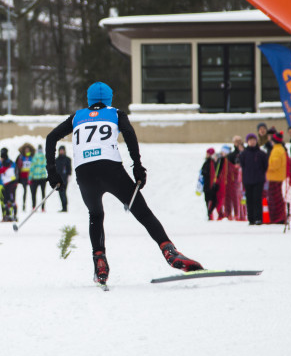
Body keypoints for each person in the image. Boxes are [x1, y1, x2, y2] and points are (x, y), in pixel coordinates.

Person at [45, 81, 203, 287]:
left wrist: (52, 173)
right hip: (110, 168)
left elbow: (51, 138)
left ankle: (99, 261)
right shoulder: (116, 113)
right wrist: (137, 166)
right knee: (143, 213)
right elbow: (129, 134)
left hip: (84, 172)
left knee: (95, 215)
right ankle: (169, 251)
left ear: (89, 99)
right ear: (109, 99)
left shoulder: (77, 116)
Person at [239, 133, 269, 225]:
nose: (252, 142)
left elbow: (265, 166)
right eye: (250, 140)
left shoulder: (261, 154)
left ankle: (258, 218)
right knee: (249, 199)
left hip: (258, 180)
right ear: (247, 142)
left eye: (254, 140)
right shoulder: (243, 154)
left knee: (257, 199)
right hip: (248, 180)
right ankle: (251, 218)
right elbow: (242, 165)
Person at [266, 130, 288, 223]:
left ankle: (277, 217)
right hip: (278, 176)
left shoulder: (276, 150)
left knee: (275, 199)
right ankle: (279, 217)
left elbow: (274, 164)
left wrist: (266, 167)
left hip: (275, 177)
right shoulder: (280, 149)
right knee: (277, 198)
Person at [0, 147, 18, 222]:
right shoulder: (11, 162)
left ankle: (6, 216)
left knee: (4, 201)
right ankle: (12, 215)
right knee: (10, 200)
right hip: (9, 184)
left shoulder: (2, 163)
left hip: (2, 184)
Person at [15, 143, 35, 211]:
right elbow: (17, 166)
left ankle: (33, 206)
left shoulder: (32, 157)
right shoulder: (20, 157)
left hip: (31, 177)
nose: (27, 151)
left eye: (28, 150)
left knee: (32, 191)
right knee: (25, 191)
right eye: (26, 150)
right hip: (23, 177)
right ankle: (24, 205)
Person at [200, 148, 218, 220]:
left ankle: (211, 214)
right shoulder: (207, 162)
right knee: (208, 200)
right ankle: (209, 214)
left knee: (211, 200)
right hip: (207, 185)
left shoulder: (213, 162)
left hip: (211, 185)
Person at [28, 144, 48, 210]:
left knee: (34, 193)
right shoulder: (44, 157)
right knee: (43, 193)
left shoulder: (35, 157)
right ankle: (43, 207)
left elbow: (32, 168)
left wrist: (30, 177)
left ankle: (34, 206)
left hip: (35, 177)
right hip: (43, 177)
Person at [54, 145, 72, 212]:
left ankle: (65, 207)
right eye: (60, 150)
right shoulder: (57, 160)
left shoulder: (67, 159)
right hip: (58, 179)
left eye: (62, 150)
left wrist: (69, 175)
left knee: (63, 192)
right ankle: (63, 207)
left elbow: (69, 168)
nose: (61, 151)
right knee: (60, 193)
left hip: (65, 178)